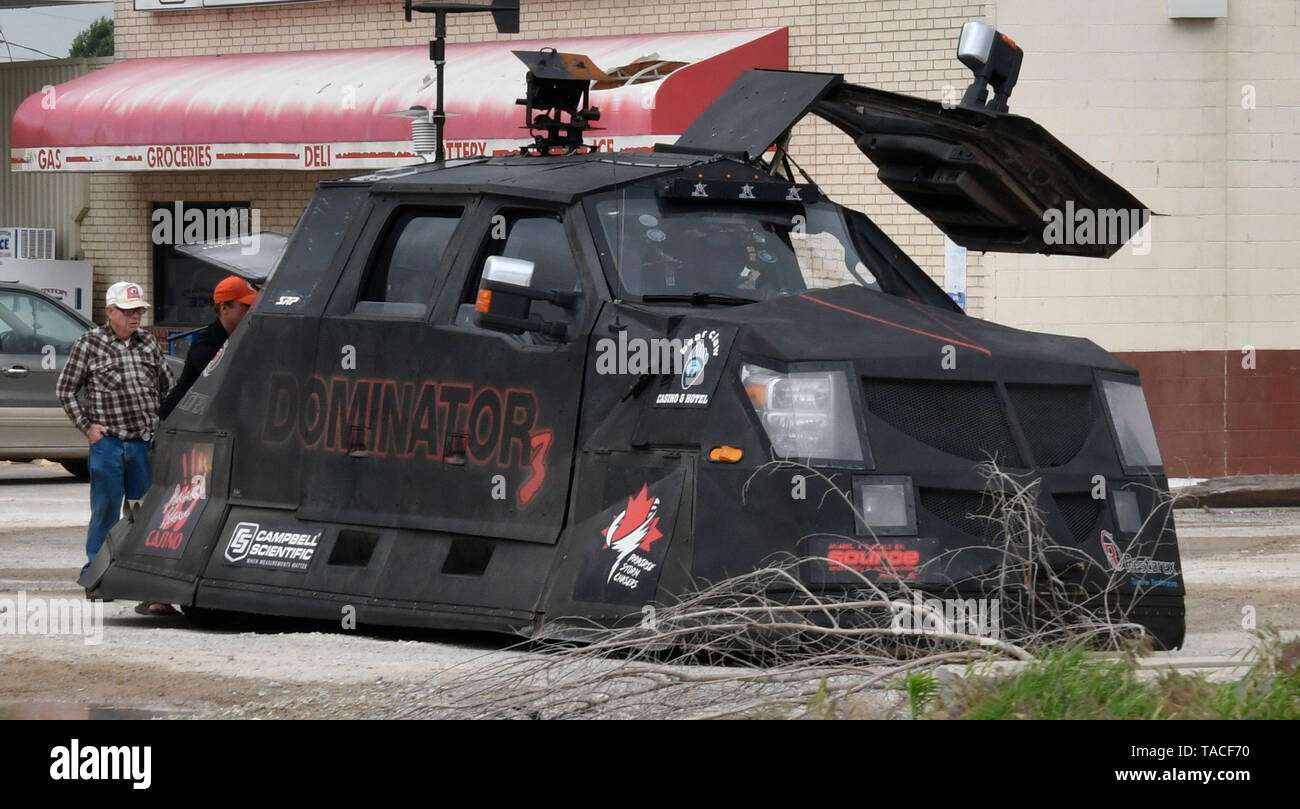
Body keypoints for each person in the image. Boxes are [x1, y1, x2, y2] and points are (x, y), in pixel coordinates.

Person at [57, 281, 176, 615]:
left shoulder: (149, 344)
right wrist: (88, 428)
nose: (135, 317)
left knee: (145, 513)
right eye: (127, 311)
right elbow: (65, 389)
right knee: (107, 511)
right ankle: (97, 577)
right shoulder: (89, 344)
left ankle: (146, 584)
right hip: (107, 444)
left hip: (142, 443)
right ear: (110, 311)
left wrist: (160, 427)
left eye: (138, 310)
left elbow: (169, 387)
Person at [158, 275, 258, 420]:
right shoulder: (205, 343)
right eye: (245, 307)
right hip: (177, 423)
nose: (251, 312)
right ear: (224, 308)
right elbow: (224, 384)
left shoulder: (244, 337)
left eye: (253, 306)